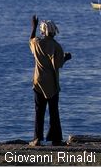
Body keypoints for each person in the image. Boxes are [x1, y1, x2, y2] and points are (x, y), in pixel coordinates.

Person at [29, 15, 72, 146]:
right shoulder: (56, 46)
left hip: (38, 82)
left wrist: (33, 26)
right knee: (54, 112)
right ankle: (56, 139)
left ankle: (37, 139)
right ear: (54, 31)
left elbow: (30, 39)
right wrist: (66, 58)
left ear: (42, 31)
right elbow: (57, 65)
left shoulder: (36, 43)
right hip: (52, 84)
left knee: (39, 111)